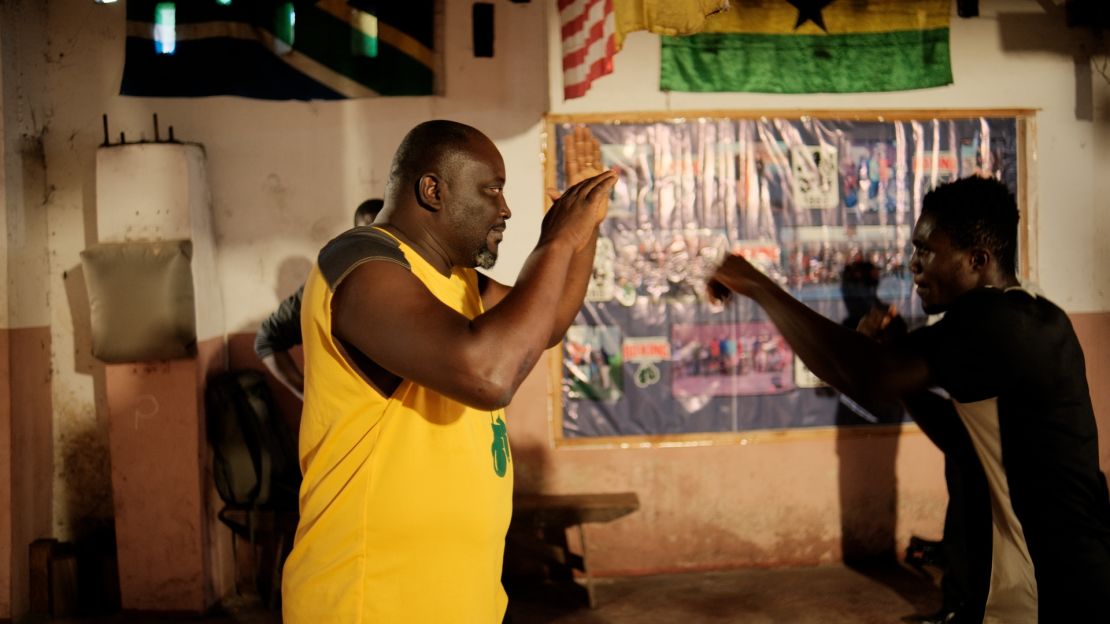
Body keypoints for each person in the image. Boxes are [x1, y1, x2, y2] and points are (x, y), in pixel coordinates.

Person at [708, 175, 1110, 622]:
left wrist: (759, 286)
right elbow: (966, 441)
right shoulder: (1033, 314)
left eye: (927, 250)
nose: (913, 265)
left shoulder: (993, 320)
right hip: (1066, 571)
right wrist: (902, 370)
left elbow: (868, 377)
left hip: (1048, 583)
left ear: (977, 260)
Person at [280, 119, 616, 623]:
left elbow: (547, 323)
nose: (504, 209)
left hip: (459, 600)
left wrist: (584, 229)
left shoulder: (456, 279)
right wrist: (556, 240)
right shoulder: (361, 261)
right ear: (433, 190)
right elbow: (489, 375)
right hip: (371, 600)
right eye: (492, 189)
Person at [254, 199, 384, 399]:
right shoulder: (328, 285)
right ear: (356, 237)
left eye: (385, 236)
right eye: (370, 235)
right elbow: (267, 339)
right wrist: (306, 394)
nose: (378, 245)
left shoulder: (416, 282)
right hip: (347, 419)